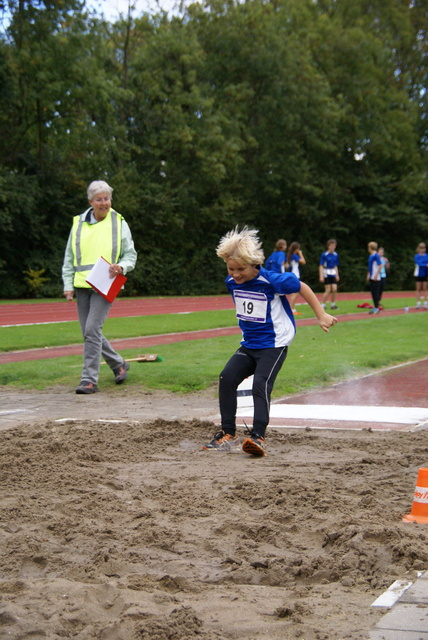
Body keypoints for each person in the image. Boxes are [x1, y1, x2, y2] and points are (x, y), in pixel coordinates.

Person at [202, 227, 337, 456]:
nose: (234, 274)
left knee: (260, 384)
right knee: (226, 378)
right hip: (249, 343)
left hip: (274, 344)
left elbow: (301, 286)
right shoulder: (231, 282)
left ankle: (259, 436)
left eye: (240, 269)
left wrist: (321, 314)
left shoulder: (273, 280)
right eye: (230, 268)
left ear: (254, 264)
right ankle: (228, 433)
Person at [62, 180, 137, 394]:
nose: (104, 203)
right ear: (90, 201)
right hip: (82, 285)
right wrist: (68, 285)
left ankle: (89, 380)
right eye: (99, 199)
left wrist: (121, 267)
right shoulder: (78, 223)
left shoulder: (118, 221)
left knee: (92, 330)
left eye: (107, 198)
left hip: (106, 284)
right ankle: (119, 364)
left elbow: (130, 255)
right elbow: (69, 257)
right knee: (89, 332)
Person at [319, 239, 340, 310]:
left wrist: (337, 275)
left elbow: (335, 265)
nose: (333, 247)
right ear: (328, 246)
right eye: (331, 246)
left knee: (334, 289)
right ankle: (323, 304)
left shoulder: (335, 254)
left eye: (334, 246)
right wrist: (321, 275)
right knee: (328, 289)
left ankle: (333, 304)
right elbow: (321, 265)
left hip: (333, 272)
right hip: (326, 272)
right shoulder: (324, 254)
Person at [287, 241, 306, 314]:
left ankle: (292, 308)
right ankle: (292, 309)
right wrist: (301, 254)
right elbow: (303, 262)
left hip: (291, 274)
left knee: (294, 292)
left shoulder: (289, 255)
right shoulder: (294, 256)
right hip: (295, 275)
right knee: (295, 292)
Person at [366, 241, 382, 314]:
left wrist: (376, 274)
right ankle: (375, 307)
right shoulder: (371, 256)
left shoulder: (376, 255)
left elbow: (380, 265)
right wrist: (369, 274)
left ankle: (376, 307)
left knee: (376, 292)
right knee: (373, 292)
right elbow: (370, 267)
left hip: (375, 277)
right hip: (372, 276)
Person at [414, 242, 428, 309]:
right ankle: (418, 303)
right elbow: (419, 263)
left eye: (424, 248)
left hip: (425, 273)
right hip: (418, 274)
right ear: (419, 249)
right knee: (418, 289)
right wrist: (425, 265)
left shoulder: (427, 256)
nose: (423, 250)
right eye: (421, 248)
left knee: (425, 288)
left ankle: (426, 303)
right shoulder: (417, 256)